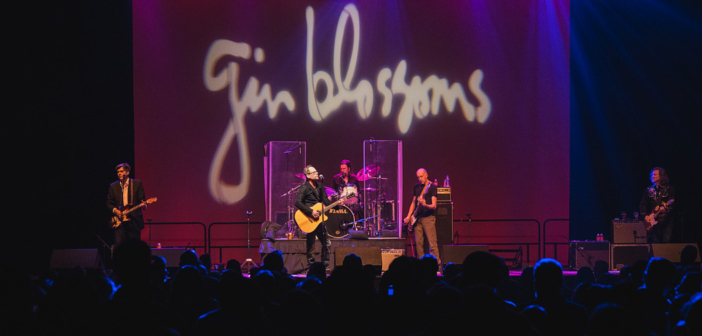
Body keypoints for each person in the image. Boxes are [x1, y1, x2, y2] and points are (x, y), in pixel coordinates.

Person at [295, 165, 333, 268]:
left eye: (316, 171)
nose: (317, 173)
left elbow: (325, 200)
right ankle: (311, 266)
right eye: (314, 172)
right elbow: (298, 202)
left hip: (320, 219)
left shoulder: (320, 186)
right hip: (309, 218)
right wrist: (311, 212)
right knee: (311, 244)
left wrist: (337, 205)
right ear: (308, 175)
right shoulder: (304, 187)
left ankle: (325, 265)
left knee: (327, 243)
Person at [403, 168, 441, 265]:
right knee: (419, 244)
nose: (420, 179)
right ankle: (420, 265)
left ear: (426, 175)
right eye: (418, 177)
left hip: (428, 218)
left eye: (421, 176)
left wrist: (425, 205)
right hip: (417, 219)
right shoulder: (417, 187)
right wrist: (408, 216)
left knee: (432, 243)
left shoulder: (432, 187)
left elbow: (434, 206)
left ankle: (436, 265)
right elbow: (413, 203)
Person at [107, 163, 146, 247]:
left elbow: (142, 200)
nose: (119, 173)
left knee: (134, 247)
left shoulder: (137, 184)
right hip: (120, 221)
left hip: (133, 221)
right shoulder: (113, 186)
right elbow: (109, 203)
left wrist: (144, 205)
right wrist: (116, 211)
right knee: (120, 247)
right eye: (118, 172)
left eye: (121, 171)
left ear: (127, 172)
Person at [639, 167, 675, 243]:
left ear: (661, 176)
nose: (652, 176)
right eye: (652, 175)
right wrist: (645, 215)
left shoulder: (669, 188)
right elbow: (643, 203)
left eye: (655, 175)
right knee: (655, 242)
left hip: (666, 219)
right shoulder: (649, 189)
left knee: (666, 240)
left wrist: (666, 208)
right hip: (654, 219)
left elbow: (672, 204)